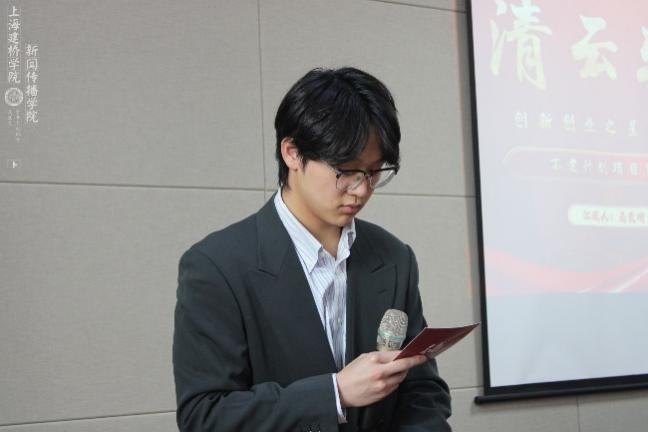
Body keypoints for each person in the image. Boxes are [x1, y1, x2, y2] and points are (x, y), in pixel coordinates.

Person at [173, 67, 452, 432]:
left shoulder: (394, 257)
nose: (361, 190)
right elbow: (204, 416)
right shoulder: (217, 266)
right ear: (292, 153)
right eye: (346, 171)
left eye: (373, 172)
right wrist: (335, 394)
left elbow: (422, 391)